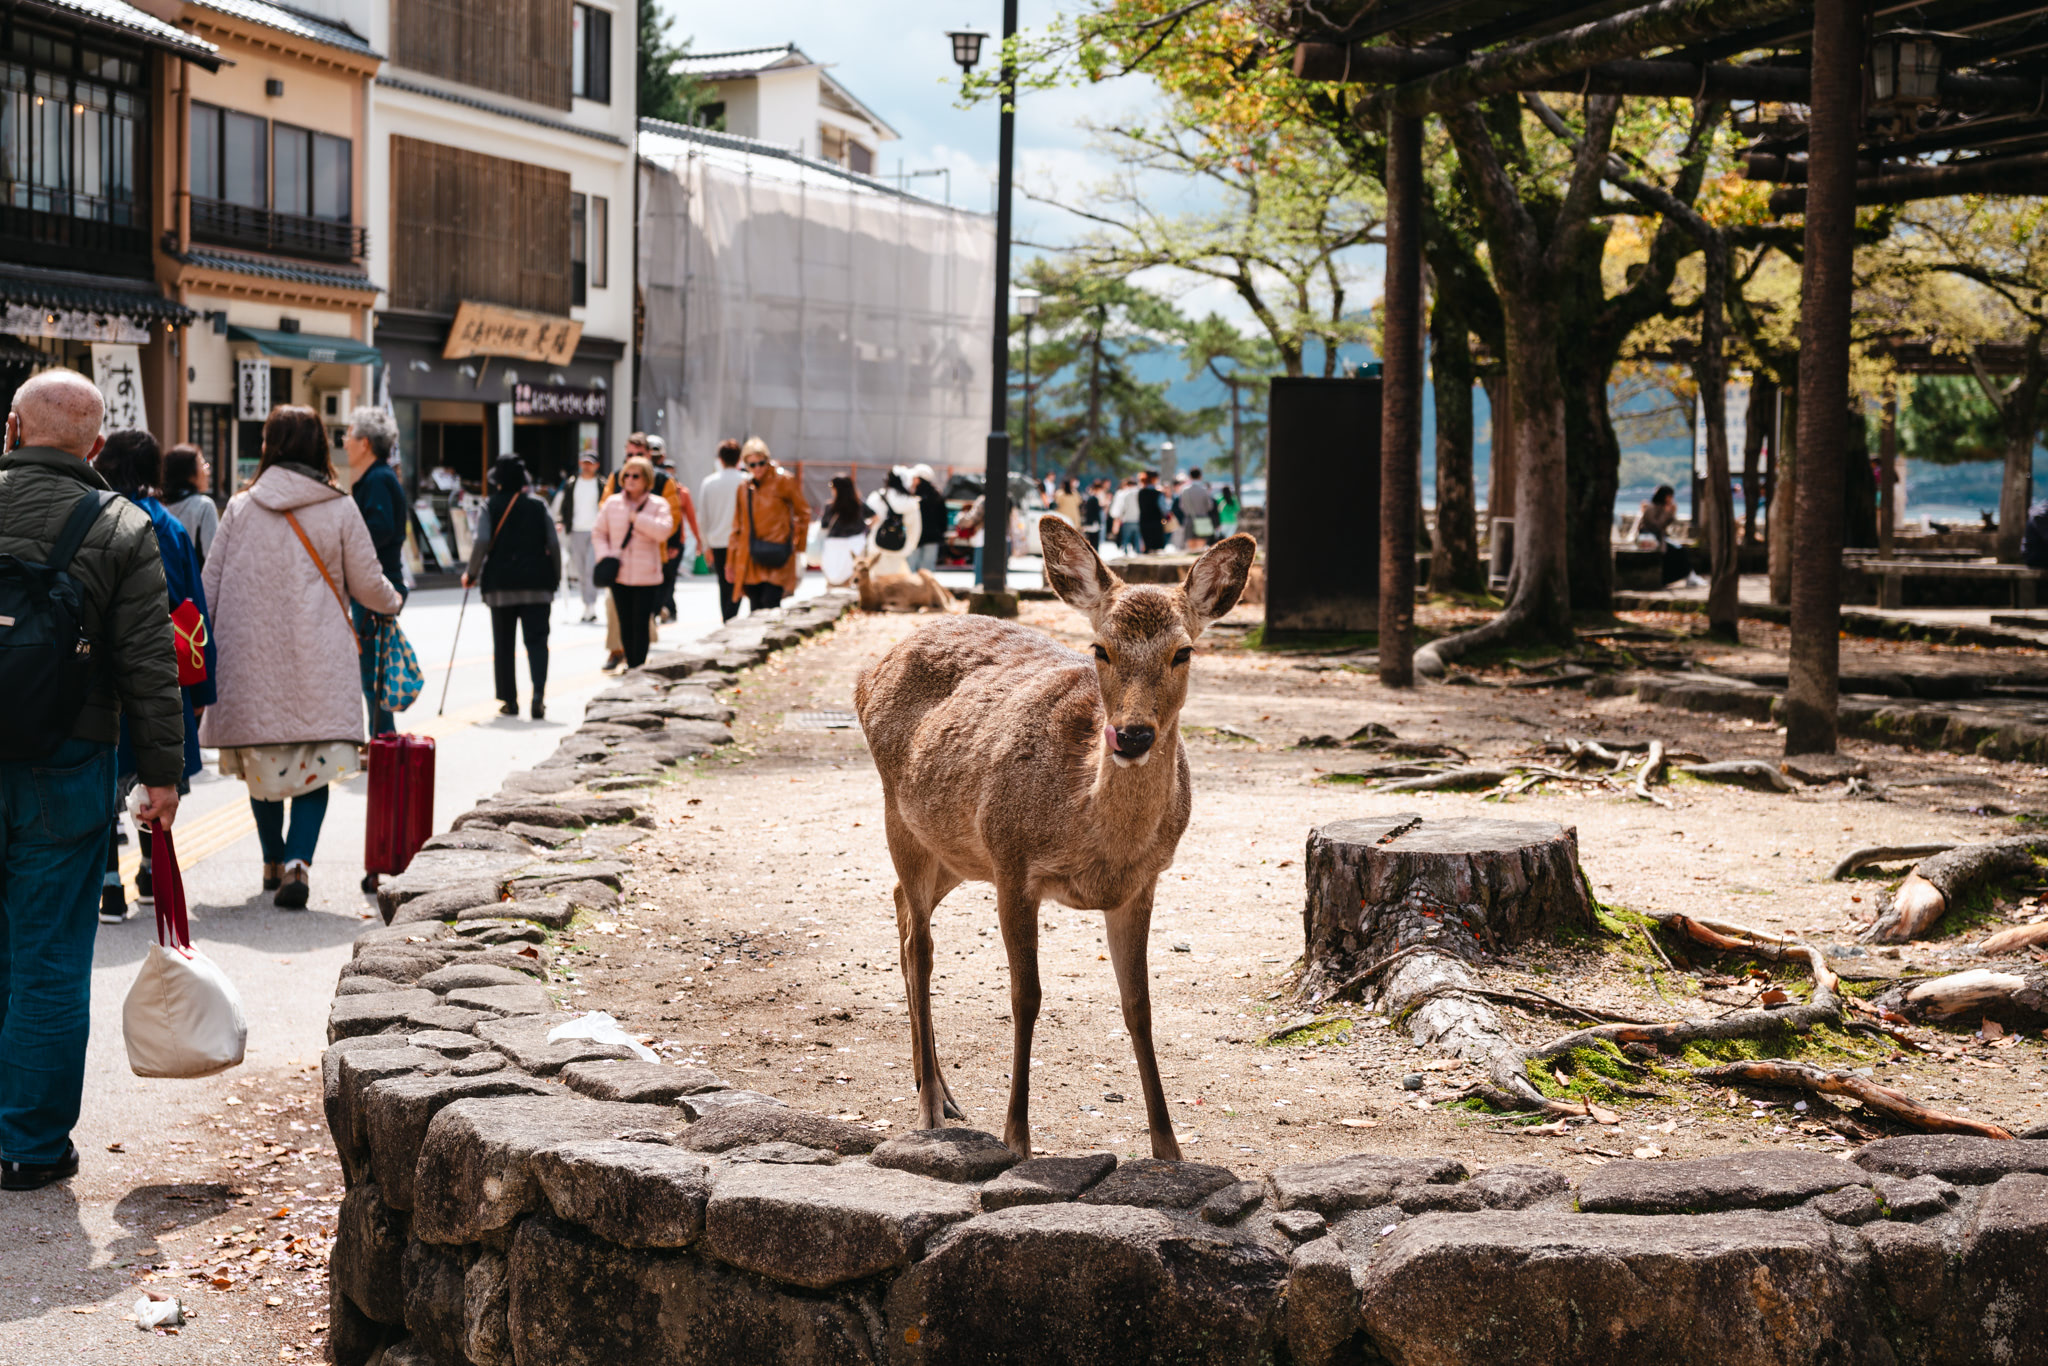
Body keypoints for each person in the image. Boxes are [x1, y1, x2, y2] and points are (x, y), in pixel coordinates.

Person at [0, 370, 184, 1191]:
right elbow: (150, 663)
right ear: (95, 447)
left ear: (10, 430)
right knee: (47, 955)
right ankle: (30, 1146)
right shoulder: (120, 524)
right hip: (68, 763)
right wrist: (163, 775)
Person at [201, 406, 403, 910]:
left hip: (250, 665)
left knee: (262, 763)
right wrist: (393, 602)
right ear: (319, 448)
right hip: (320, 662)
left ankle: (271, 859)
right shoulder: (339, 506)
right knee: (317, 765)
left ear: (269, 445)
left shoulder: (241, 507)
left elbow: (208, 589)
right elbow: (368, 582)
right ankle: (298, 862)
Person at [91, 430, 217, 926]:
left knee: (104, 784)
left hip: (104, 675)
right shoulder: (169, 527)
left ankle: (108, 888)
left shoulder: (96, 517)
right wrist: (201, 688)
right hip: (165, 672)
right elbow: (194, 611)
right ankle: (147, 872)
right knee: (156, 778)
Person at [465, 457, 561, 719]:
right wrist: (556, 576)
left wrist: (470, 573)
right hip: (538, 584)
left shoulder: (490, 506)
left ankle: (510, 700)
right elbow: (553, 544)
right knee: (538, 641)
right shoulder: (539, 505)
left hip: (501, 584)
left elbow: (482, 540)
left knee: (504, 644)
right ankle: (539, 694)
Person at [600, 435, 696, 666]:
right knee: (616, 609)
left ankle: (636, 661)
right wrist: (605, 553)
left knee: (642, 616)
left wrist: (671, 544)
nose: (633, 462)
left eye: (639, 455)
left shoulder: (663, 483)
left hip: (651, 559)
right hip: (619, 561)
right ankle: (618, 651)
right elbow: (602, 519)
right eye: (629, 455)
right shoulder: (615, 480)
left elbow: (671, 519)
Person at [344, 407, 410, 737]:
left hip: (376, 584)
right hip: (380, 581)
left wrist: (348, 544)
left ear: (365, 442)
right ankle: (382, 736)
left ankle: (382, 739)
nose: (344, 441)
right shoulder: (379, 477)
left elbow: (379, 529)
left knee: (374, 670)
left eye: (349, 434)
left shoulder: (378, 479)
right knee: (375, 667)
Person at [592, 455, 674, 669]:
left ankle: (638, 665)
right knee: (624, 622)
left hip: (647, 575)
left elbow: (664, 531)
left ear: (646, 479)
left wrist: (638, 519)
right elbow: (599, 533)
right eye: (626, 475)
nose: (630, 479)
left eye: (635, 476)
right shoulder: (612, 503)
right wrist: (606, 556)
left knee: (641, 623)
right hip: (619, 573)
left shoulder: (658, 504)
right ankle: (631, 666)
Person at [727, 437, 810, 612]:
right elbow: (737, 525)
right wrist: (731, 562)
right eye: (751, 465)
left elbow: (803, 512)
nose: (757, 468)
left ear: (768, 460)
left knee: (770, 603)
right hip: (752, 555)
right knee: (755, 606)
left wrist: (798, 545)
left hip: (777, 553)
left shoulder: (783, 481)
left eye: (761, 463)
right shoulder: (744, 487)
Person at [699, 438, 748, 623]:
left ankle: (728, 619)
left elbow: (703, 517)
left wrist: (706, 545)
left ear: (720, 459)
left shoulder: (709, 483)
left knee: (723, 583)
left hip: (717, 540)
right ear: (739, 459)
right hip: (741, 541)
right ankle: (731, 617)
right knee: (739, 580)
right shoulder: (746, 481)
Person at [552, 450, 604, 623]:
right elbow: (564, 507)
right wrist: (561, 522)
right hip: (576, 530)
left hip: (596, 531)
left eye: (590, 463)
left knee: (590, 568)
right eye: (584, 462)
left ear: (597, 465)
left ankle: (591, 605)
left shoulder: (602, 484)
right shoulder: (572, 484)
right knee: (582, 570)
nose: (587, 466)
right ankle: (587, 606)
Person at [159, 442, 219, 563]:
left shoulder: (159, 506)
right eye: (203, 465)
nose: (208, 471)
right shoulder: (204, 507)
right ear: (189, 474)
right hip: (196, 580)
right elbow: (213, 559)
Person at [1637, 484, 1704, 588]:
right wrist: (1668, 513)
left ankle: (1689, 574)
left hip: (1659, 539)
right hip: (1651, 539)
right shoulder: (1651, 509)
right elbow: (1657, 526)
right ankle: (1687, 575)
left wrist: (1671, 513)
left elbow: (1665, 524)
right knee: (1677, 552)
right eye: (1670, 496)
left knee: (1680, 551)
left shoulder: (1662, 508)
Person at [865, 467, 921, 578]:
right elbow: (915, 531)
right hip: (899, 551)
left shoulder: (876, 497)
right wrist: (908, 548)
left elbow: (868, 523)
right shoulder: (910, 503)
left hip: (876, 548)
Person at [817, 475, 868, 587]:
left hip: (834, 545)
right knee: (850, 576)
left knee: (832, 576)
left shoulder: (830, 506)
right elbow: (875, 517)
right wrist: (867, 528)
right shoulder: (859, 504)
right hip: (855, 544)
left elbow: (824, 525)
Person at [909, 463, 947, 573]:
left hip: (915, 537)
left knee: (912, 568)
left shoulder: (913, 496)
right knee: (927, 570)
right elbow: (943, 519)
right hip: (932, 537)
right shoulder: (937, 495)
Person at [1178, 466, 1217, 549]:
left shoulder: (1184, 490)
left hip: (1189, 519)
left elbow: (1181, 506)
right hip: (1203, 519)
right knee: (1200, 547)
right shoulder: (1204, 490)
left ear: (1190, 476)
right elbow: (1210, 506)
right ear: (1200, 476)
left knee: (1191, 547)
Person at [1137, 470, 1169, 552]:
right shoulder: (1157, 493)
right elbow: (1164, 509)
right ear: (1154, 479)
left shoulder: (1140, 492)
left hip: (1143, 521)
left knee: (1147, 546)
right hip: (1156, 522)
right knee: (1157, 547)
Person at [1110, 476, 1141, 553]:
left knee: (1125, 540)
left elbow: (1121, 507)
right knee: (1137, 540)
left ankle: (1126, 554)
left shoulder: (1124, 494)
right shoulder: (1140, 493)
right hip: (1138, 520)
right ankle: (1138, 554)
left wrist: (1118, 518)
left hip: (1127, 520)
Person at [1080, 479, 1105, 547]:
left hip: (1088, 521)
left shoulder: (1088, 497)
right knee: (1094, 541)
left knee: (1089, 540)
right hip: (1093, 522)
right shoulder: (1094, 498)